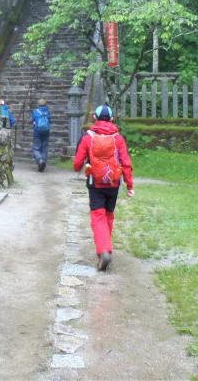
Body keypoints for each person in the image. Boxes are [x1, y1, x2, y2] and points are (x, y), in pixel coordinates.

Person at [73, 104, 134, 272]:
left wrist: (79, 166)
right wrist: (129, 185)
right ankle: (106, 250)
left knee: (98, 217)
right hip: (113, 183)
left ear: (95, 118)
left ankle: (104, 250)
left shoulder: (88, 137)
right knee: (108, 216)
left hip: (95, 183)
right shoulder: (118, 138)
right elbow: (126, 162)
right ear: (112, 119)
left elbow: (77, 163)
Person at [31, 99, 51, 172]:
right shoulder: (48, 112)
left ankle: (39, 160)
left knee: (36, 147)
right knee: (44, 147)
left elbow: (33, 120)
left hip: (37, 132)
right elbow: (49, 120)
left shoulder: (35, 111)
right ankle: (43, 160)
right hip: (46, 132)